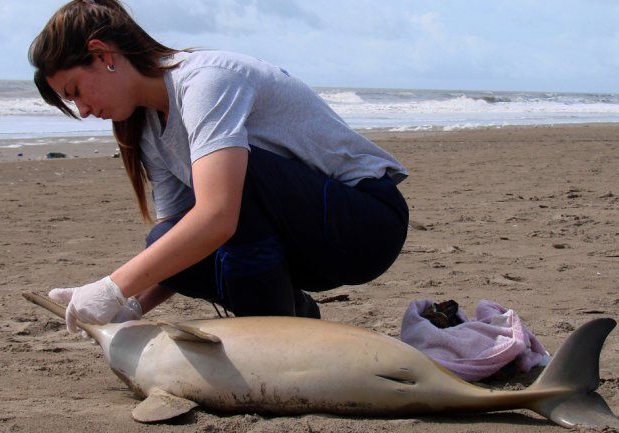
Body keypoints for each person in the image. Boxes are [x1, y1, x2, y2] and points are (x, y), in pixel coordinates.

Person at [29, 0, 409, 332]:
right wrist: (131, 306)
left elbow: (218, 217)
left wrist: (113, 286)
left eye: (75, 91)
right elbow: (185, 240)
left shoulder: (206, 81)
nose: (83, 111)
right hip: (304, 245)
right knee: (162, 243)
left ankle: (272, 329)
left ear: (103, 55)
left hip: (366, 224)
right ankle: (289, 314)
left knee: (234, 184)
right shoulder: (145, 126)